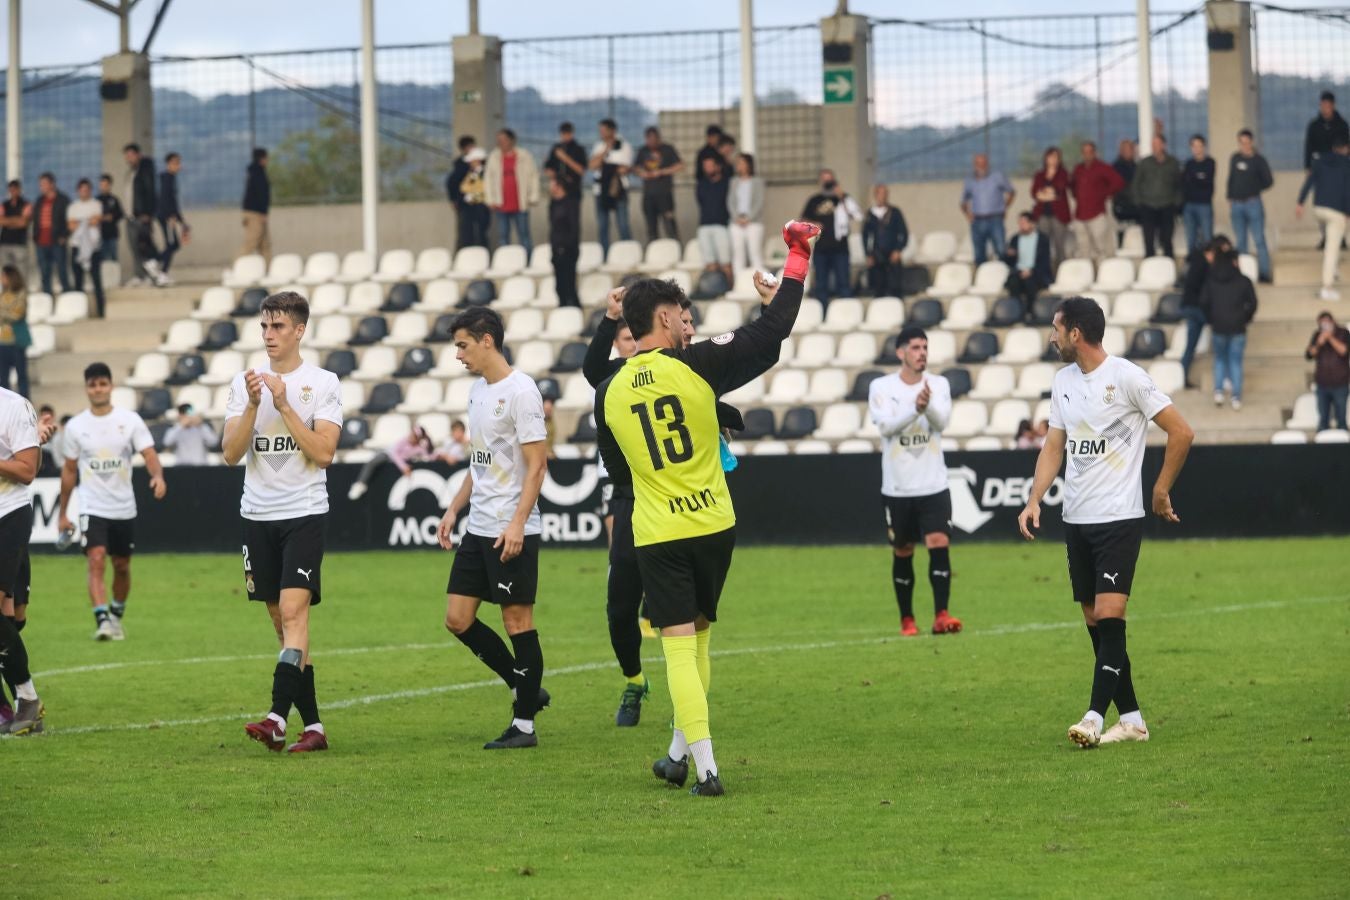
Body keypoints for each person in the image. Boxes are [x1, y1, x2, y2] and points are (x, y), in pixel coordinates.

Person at [592, 221, 819, 797]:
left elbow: (618, 473)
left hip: (659, 529)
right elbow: (772, 331)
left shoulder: (609, 392)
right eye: (679, 311)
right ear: (665, 317)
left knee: (676, 648)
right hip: (715, 521)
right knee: (698, 639)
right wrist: (797, 257)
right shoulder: (696, 366)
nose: (684, 320)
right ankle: (677, 755)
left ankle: (708, 768)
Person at [583, 281, 765, 727]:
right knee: (621, 606)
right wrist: (609, 318)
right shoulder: (617, 382)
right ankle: (634, 681)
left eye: (689, 321)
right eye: (681, 320)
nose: (688, 327)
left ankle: (686, 725)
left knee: (684, 626)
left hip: (675, 512)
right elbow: (592, 370)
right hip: (633, 503)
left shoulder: (685, 366)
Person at [1018, 296, 1194, 749]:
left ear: (1075, 333)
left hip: (1118, 519)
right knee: (1097, 623)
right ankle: (1132, 720)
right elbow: (1054, 446)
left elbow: (1181, 431)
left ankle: (1094, 717)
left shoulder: (1127, 377)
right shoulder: (1063, 382)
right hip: (1076, 519)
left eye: (1056, 329)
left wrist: (1160, 489)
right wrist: (1035, 499)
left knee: (1111, 616)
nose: (1052, 337)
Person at [222, 291, 342, 754]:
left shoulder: (323, 382)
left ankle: (275, 717)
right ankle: (314, 727)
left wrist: (285, 405)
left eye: (278, 326)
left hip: (304, 513)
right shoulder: (244, 384)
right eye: (264, 326)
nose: (269, 335)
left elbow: (324, 453)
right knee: (284, 625)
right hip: (257, 515)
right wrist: (254, 405)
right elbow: (231, 454)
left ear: (299, 331)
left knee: (294, 613)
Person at [434, 307, 550, 750]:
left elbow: (537, 466)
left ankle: (524, 726)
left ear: (487, 340)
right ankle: (525, 686)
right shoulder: (478, 391)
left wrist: (518, 524)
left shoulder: (521, 392)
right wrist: (453, 509)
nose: (458, 354)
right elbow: (479, 462)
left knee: (516, 620)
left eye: (462, 345)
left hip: (509, 527)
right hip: (479, 525)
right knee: (457, 619)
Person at [59, 362, 167, 641]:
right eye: (92, 385)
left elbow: (149, 453)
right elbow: (69, 470)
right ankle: (102, 620)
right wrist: (63, 513)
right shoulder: (76, 427)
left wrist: (157, 476)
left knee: (121, 565)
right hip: (92, 505)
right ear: (87, 389)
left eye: (102, 384)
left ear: (111, 386)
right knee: (96, 559)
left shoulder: (129, 420)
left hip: (123, 507)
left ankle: (116, 615)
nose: (98, 389)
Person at [868, 325, 963, 638]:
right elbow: (886, 428)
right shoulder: (881, 387)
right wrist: (915, 409)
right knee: (903, 549)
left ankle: (942, 615)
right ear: (901, 353)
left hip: (934, 484)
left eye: (925, 347)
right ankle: (907, 619)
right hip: (897, 488)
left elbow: (943, 423)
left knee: (939, 542)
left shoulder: (939, 383)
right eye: (915, 348)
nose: (922, 353)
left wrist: (927, 406)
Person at [0, 382, 51, 735]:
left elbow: (27, 470)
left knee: (11, 617)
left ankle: (27, 699)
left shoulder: (13, 406)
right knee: (7, 617)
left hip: (8, 514)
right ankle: (15, 707)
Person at [1200, 248, 1259, 411]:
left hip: (1218, 327)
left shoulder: (1211, 280)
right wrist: (1245, 318)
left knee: (1219, 359)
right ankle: (1236, 397)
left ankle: (1218, 392)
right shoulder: (1243, 280)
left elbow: (1203, 302)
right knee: (1235, 362)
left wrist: (1211, 319)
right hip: (1238, 327)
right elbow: (1253, 303)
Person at [1295, 137, 1350, 301]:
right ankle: (1327, 287)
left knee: (1330, 241)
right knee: (1332, 248)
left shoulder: (1319, 161)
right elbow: (1347, 190)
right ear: (1346, 148)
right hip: (1336, 212)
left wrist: (1300, 202)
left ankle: (1333, 270)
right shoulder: (1347, 164)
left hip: (1319, 209)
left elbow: (1309, 181)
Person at [801, 170, 861, 307]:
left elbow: (855, 215)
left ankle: (846, 312)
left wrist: (841, 197)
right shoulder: (814, 200)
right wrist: (814, 224)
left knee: (844, 285)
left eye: (830, 180)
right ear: (820, 182)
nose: (828, 183)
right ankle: (822, 313)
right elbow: (802, 220)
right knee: (821, 286)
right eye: (825, 180)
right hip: (821, 249)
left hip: (840, 249)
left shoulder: (843, 198)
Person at [1179, 235, 1230, 389]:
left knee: (1191, 346)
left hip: (1192, 307)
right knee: (1221, 333)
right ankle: (1224, 374)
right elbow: (1199, 289)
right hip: (1195, 308)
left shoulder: (1199, 262)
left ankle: (1182, 377)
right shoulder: (1201, 264)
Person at [1226, 129, 1274, 284]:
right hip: (1236, 204)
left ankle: (1264, 273)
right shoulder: (1235, 158)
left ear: (1251, 143)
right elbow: (1231, 179)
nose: (1244, 146)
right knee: (1240, 241)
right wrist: (1230, 197)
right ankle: (1243, 273)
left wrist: (1255, 187)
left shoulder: (1259, 160)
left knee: (1259, 239)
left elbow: (1269, 181)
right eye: (1242, 143)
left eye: (1247, 143)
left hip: (1253, 203)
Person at [1305, 90, 1350, 251]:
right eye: (1323, 105)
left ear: (1333, 105)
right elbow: (1308, 147)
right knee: (1322, 204)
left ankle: (1341, 237)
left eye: (1328, 106)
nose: (1325, 108)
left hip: (1339, 171)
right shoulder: (1314, 126)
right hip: (1321, 171)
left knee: (1341, 203)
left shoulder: (1342, 125)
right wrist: (1308, 167)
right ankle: (1325, 236)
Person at [485, 128, 540, 256]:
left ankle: (528, 260)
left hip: (520, 203)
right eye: (499, 140)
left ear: (511, 140)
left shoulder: (524, 155)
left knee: (524, 235)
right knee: (503, 236)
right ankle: (506, 261)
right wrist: (490, 200)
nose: (501, 143)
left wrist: (533, 196)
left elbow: (533, 176)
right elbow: (488, 179)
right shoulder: (494, 157)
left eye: (503, 140)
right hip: (501, 204)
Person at [1071, 141, 1127, 262]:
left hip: (1097, 213)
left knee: (1101, 248)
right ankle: (1086, 271)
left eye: (1090, 152)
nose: (1087, 155)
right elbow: (1073, 186)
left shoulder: (1102, 167)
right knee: (1083, 248)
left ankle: (1104, 270)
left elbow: (1118, 182)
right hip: (1080, 214)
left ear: (1094, 153)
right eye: (1084, 152)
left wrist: (1105, 194)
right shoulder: (1078, 169)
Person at [347, 424, 432, 500]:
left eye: (413, 436)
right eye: (411, 434)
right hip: (387, 456)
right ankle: (360, 484)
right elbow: (394, 454)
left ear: (418, 439)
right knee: (372, 462)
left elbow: (427, 457)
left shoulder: (420, 448)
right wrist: (404, 467)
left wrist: (429, 446)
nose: (410, 436)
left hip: (398, 464)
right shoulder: (403, 440)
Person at [1131, 135, 1182, 259]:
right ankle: (1149, 264)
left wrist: (1177, 202)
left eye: (1157, 144)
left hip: (1167, 205)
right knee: (1149, 240)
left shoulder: (1173, 163)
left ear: (1164, 145)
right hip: (1148, 206)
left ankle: (1168, 264)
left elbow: (1179, 184)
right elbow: (1136, 183)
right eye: (1153, 145)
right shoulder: (1145, 163)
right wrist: (1139, 202)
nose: (1154, 147)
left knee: (1167, 239)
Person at [959, 153, 1015, 265]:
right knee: (979, 253)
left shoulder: (997, 176)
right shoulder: (969, 180)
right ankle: (982, 273)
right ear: (974, 165)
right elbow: (963, 201)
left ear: (987, 164)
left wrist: (1005, 207)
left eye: (983, 163)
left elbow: (1011, 192)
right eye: (978, 163)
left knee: (1001, 250)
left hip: (995, 219)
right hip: (977, 220)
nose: (981, 166)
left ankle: (1005, 272)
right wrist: (968, 215)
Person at [589, 118, 634, 253]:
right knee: (603, 226)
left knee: (623, 224)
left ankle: (628, 252)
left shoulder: (625, 146)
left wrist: (607, 167)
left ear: (612, 130)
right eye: (600, 131)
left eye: (604, 130)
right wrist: (605, 151)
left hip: (618, 189)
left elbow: (624, 168)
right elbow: (592, 165)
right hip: (600, 190)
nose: (601, 133)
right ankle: (605, 254)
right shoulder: (599, 146)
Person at [635, 126, 683, 243]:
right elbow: (636, 168)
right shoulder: (643, 151)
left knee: (670, 226)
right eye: (649, 139)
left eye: (654, 139)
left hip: (664, 194)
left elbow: (680, 165)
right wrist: (643, 173)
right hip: (649, 195)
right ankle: (653, 249)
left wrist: (662, 172)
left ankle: (675, 246)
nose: (651, 142)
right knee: (651, 229)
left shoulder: (667, 149)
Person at [67, 178, 107, 317]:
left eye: (87, 190)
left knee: (96, 280)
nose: (84, 192)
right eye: (82, 190)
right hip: (77, 247)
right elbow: (71, 225)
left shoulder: (96, 204)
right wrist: (86, 221)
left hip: (93, 247)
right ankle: (80, 312)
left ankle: (100, 312)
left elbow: (96, 220)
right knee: (78, 281)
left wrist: (80, 222)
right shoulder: (73, 207)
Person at [125, 143, 163, 286]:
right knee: (136, 248)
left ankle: (151, 275)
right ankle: (140, 275)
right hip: (131, 216)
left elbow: (150, 192)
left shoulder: (145, 170)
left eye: (131, 155)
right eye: (127, 156)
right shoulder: (131, 173)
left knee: (145, 246)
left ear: (138, 155)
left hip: (142, 215)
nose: (129, 158)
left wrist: (147, 212)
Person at [862, 184, 908, 297]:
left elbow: (904, 233)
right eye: (880, 193)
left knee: (895, 288)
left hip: (893, 255)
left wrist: (898, 250)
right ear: (875, 195)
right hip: (877, 255)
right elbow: (865, 236)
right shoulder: (870, 214)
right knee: (878, 289)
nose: (883, 196)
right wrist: (868, 254)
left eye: (885, 193)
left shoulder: (895, 212)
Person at [1306, 312, 1350, 431]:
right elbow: (1309, 355)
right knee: (1323, 420)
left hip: (1340, 383)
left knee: (1341, 419)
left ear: (1332, 321)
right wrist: (1319, 343)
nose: (1324, 325)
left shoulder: (1344, 333)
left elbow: (1344, 351)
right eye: (1321, 323)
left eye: (1326, 322)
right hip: (1322, 384)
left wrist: (1330, 338)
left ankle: (1343, 440)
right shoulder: (1317, 334)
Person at [1031, 147, 1072, 270]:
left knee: (1059, 245)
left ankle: (1062, 271)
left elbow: (1058, 190)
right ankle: (1046, 272)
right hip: (1043, 214)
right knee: (1043, 245)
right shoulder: (1040, 175)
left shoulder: (1063, 173)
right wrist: (1047, 194)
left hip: (1058, 215)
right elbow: (1035, 193)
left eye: (1055, 157)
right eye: (1050, 157)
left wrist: (1046, 194)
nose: (1053, 160)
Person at [31, 172, 71, 295]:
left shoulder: (63, 200)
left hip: (57, 242)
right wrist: (35, 237)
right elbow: (36, 220)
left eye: (44, 184)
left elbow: (70, 220)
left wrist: (64, 236)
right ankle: (47, 297)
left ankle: (67, 297)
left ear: (52, 184)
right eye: (40, 184)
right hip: (41, 243)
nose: (41, 187)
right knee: (44, 273)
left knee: (62, 271)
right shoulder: (39, 201)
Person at [695, 156, 732, 287]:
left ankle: (730, 287)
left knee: (726, 262)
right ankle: (715, 287)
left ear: (718, 167)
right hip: (704, 225)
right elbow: (700, 201)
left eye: (710, 165)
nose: (707, 169)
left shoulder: (727, 183)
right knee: (710, 262)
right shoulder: (701, 184)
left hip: (721, 225)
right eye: (705, 166)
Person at [1003, 211, 1052, 309]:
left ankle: (1030, 311)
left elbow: (1045, 262)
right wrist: (1009, 255)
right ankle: (1016, 310)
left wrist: (1031, 271)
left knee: (1030, 283)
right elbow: (1008, 262)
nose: (1021, 226)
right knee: (1013, 283)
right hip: (1018, 272)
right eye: (1019, 223)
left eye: (1023, 223)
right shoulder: (1015, 239)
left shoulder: (1042, 239)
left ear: (1032, 223)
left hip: (1036, 273)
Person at [727, 153, 765, 278]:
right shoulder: (733, 181)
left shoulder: (757, 182)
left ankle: (759, 284)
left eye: (741, 162)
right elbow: (730, 201)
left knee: (755, 254)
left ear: (749, 164)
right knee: (738, 255)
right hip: (736, 222)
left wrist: (749, 218)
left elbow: (759, 202)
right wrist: (736, 218)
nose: (739, 165)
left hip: (753, 222)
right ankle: (739, 282)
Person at [548, 176, 581, 308]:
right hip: (556, 248)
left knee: (569, 283)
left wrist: (566, 246)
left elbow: (574, 228)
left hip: (568, 249)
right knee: (559, 285)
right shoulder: (553, 204)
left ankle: (574, 308)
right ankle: (562, 306)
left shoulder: (570, 204)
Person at [156, 152, 188, 282]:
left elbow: (173, 201)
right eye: (175, 163)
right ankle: (160, 270)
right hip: (167, 217)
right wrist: (171, 216)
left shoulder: (171, 178)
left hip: (170, 216)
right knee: (172, 244)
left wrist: (181, 220)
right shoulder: (166, 178)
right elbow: (165, 199)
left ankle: (160, 268)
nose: (178, 165)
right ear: (168, 164)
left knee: (174, 244)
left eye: (179, 163)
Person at [1181, 134, 1215, 254]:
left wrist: (1194, 178)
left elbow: (1206, 181)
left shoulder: (1210, 163)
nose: (1197, 149)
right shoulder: (1189, 164)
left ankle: (1209, 264)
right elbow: (1184, 182)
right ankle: (1193, 263)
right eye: (1194, 146)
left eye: (1199, 146)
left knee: (1207, 238)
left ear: (1204, 147)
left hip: (1204, 205)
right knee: (1191, 239)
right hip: (1189, 205)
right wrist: (1197, 177)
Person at [0, 265, 30, 397]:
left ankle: (25, 402)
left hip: (16, 340)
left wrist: (3, 314)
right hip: (2, 341)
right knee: (3, 377)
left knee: (21, 375)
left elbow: (18, 314)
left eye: (3, 276)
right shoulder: (3, 294)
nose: (1, 279)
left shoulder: (21, 294)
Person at [239, 147, 271, 264]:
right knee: (251, 243)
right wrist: (263, 212)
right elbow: (261, 194)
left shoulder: (254, 172)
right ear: (261, 159)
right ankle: (236, 268)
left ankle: (267, 269)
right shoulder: (258, 173)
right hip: (255, 214)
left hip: (255, 212)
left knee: (265, 245)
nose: (267, 160)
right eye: (266, 158)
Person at [542, 122, 587, 202]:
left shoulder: (579, 149)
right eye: (563, 133)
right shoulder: (556, 148)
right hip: (557, 191)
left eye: (568, 133)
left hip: (573, 192)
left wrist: (565, 158)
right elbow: (547, 168)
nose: (566, 136)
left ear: (572, 133)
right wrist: (553, 179)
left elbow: (581, 171)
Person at [0, 180, 30, 277]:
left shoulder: (25, 204)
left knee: (21, 272)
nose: (12, 192)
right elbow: (1, 221)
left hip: (19, 243)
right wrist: (16, 220)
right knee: (7, 272)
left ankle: (20, 287)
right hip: (5, 243)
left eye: (14, 189)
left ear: (19, 190)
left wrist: (8, 221)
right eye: (10, 190)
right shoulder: (4, 204)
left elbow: (23, 222)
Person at [1111, 138, 1139, 240]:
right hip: (1122, 205)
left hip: (1135, 204)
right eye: (1128, 149)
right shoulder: (1116, 168)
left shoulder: (1136, 166)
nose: (1131, 151)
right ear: (1121, 151)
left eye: (1131, 149)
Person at [97, 174, 125, 265]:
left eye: (106, 185)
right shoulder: (96, 200)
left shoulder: (114, 199)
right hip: (100, 235)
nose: (103, 187)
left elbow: (121, 214)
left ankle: (115, 274)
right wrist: (101, 218)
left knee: (114, 258)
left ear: (110, 185)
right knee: (103, 259)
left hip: (112, 234)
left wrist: (112, 216)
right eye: (102, 185)